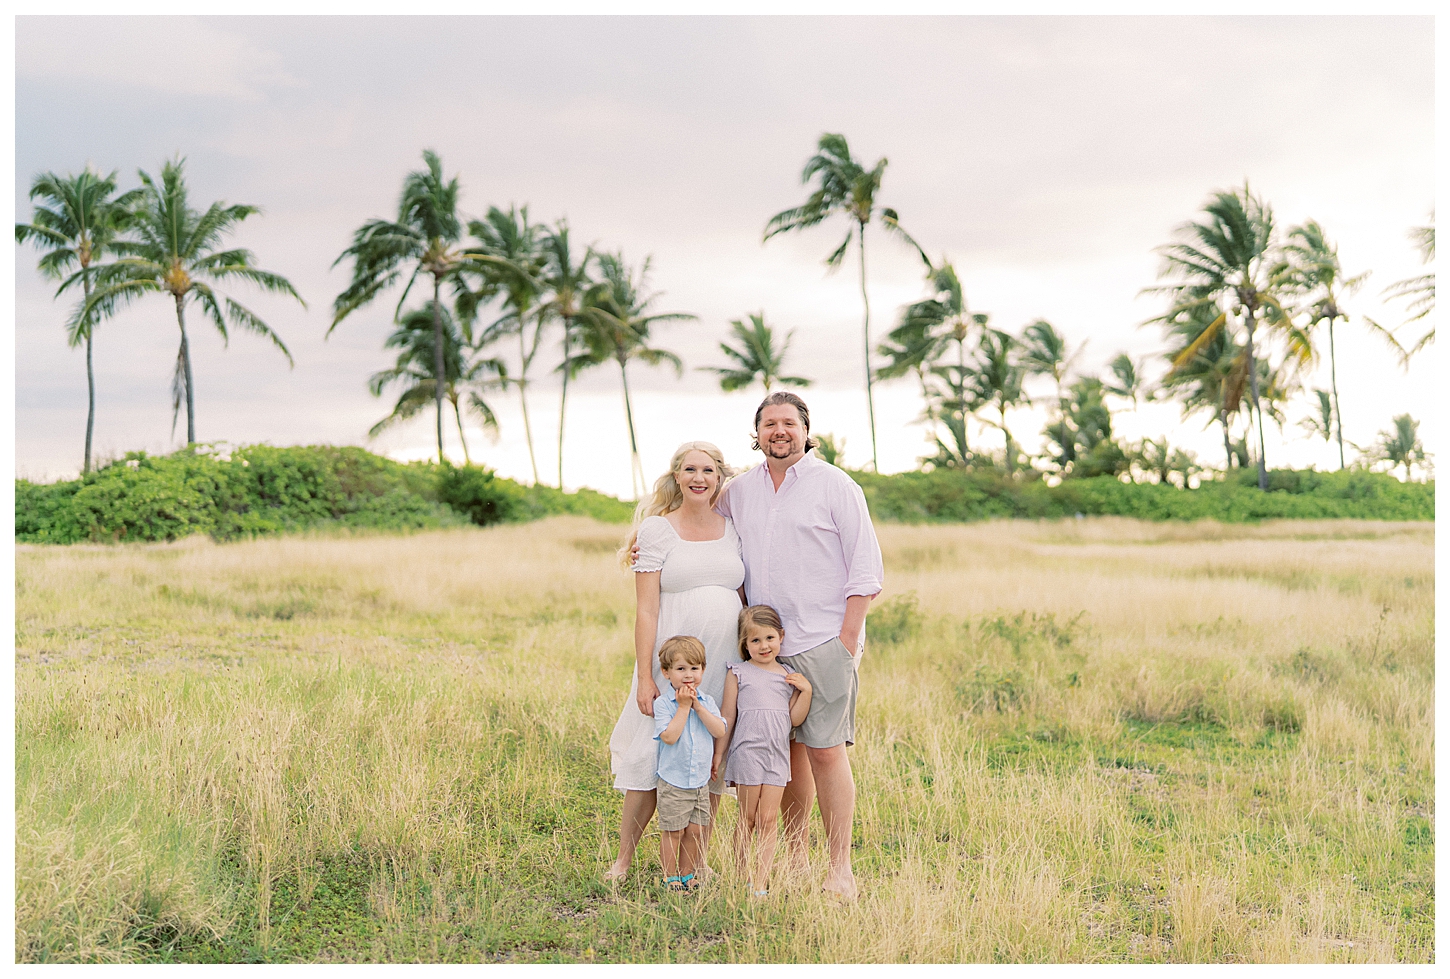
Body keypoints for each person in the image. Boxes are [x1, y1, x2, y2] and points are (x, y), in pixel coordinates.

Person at [716, 392, 883, 900]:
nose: (779, 431)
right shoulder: (739, 491)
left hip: (821, 641)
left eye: (789, 423)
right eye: (769, 424)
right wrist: (648, 539)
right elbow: (696, 517)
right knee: (784, 753)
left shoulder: (835, 485)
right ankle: (794, 856)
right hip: (764, 647)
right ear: (757, 433)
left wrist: (846, 642)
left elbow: (866, 569)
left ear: (806, 431)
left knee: (826, 753)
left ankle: (840, 870)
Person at [606, 442, 744, 882]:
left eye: (708, 470)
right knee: (652, 753)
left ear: (720, 477)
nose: (699, 478)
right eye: (690, 469)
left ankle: (696, 863)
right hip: (671, 661)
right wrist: (647, 677)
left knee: (708, 755)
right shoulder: (657, 531)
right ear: (677, 476)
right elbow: (646, 609)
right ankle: (623, 859)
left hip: (720, 661)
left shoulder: (734, 527)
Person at [717, 605, 812, 898]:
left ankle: (760, 882)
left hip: (776, 757)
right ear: (744, 644)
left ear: (781, 637)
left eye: (769, 638)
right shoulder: (738, 673)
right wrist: (719, 754)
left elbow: (793, 720)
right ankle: (740, 877)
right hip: (747, 753)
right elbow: (728, 716)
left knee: (769, 820)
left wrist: (805, 692)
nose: (763, 646)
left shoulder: (788, 676)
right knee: (748, 817)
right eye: (755, 640)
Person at [652, 635, 727, 892]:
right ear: (666, 672)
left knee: (695, 831)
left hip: (699, 782)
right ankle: (669, 876)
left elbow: (719, 730)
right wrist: (683, 708)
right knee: (673, 831)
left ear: (703, 670)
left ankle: (687, 874)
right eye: (681, 669)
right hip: (674, 781)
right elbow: (669, 737)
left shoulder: (707, 702)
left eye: (694, 668)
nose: (688, 675)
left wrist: (697, 708)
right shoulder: (664, 705)